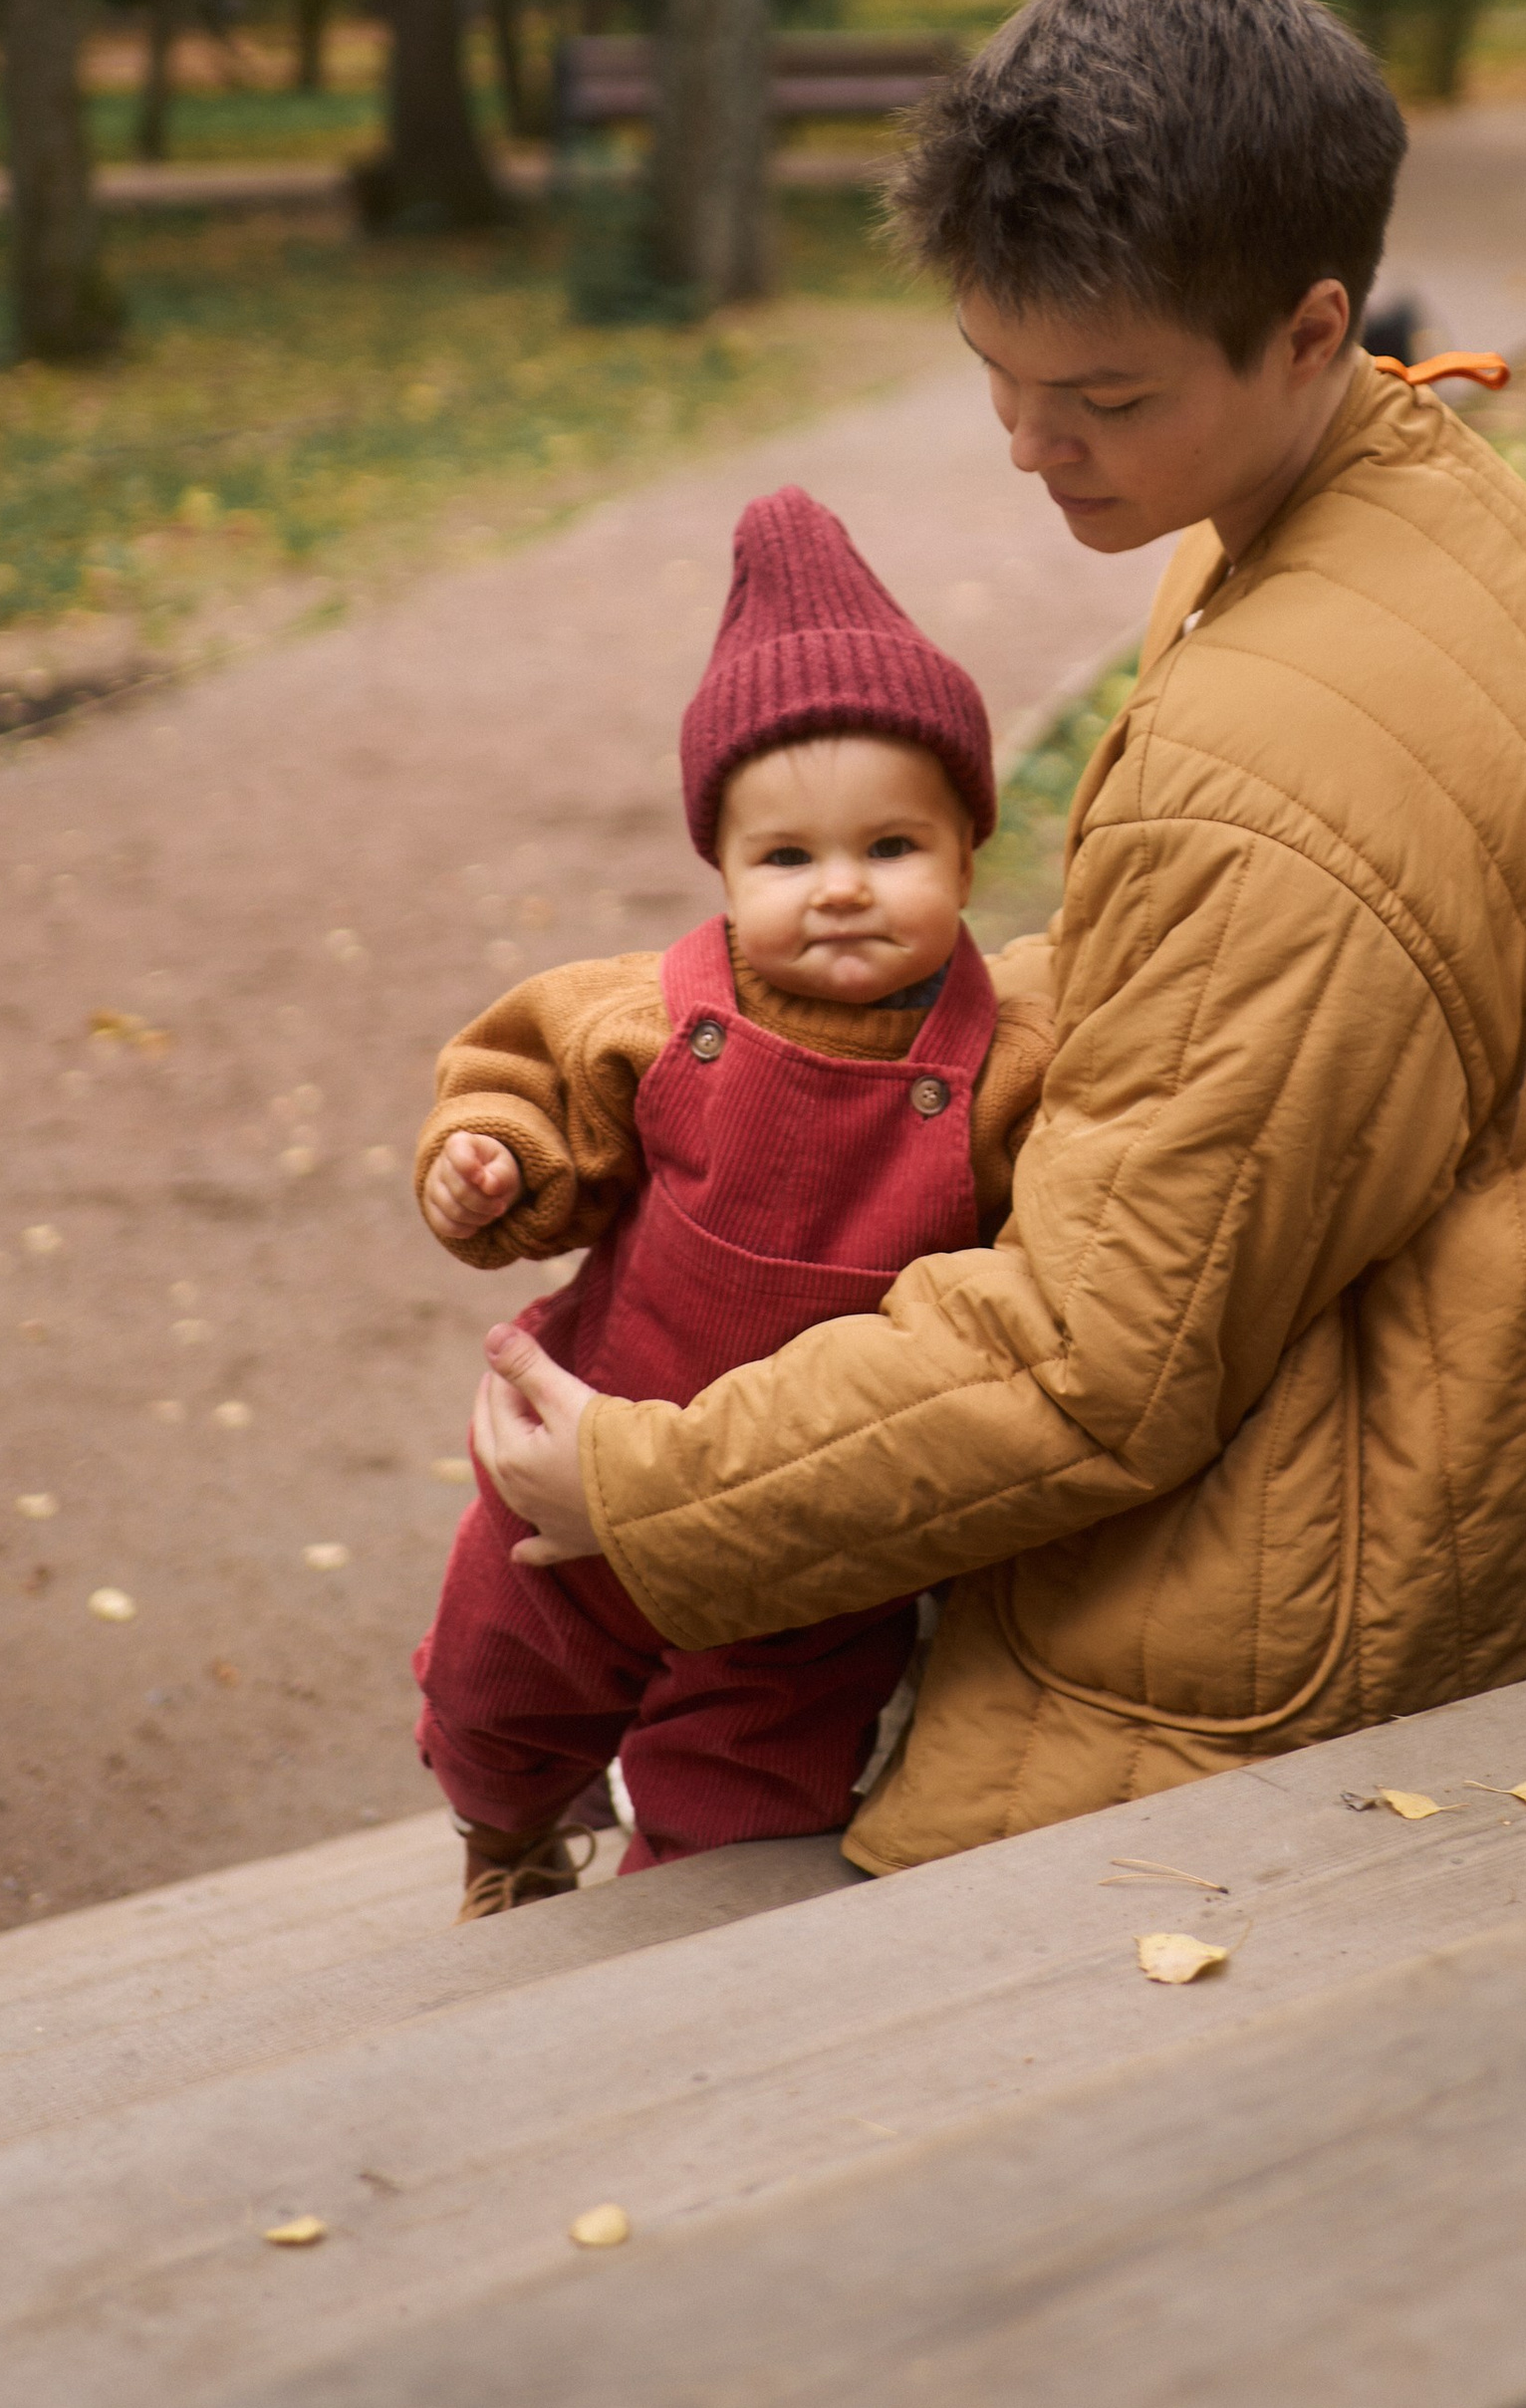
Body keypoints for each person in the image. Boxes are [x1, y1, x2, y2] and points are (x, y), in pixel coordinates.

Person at [475, 0, 1526, 1877]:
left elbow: (1095, 1362)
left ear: (1310, 326)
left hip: (1407, 1646)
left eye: (1102, 394)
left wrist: (654, 1487)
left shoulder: (1288, 758)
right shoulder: (1390, 494)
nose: (1026, 441)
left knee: (732, 1851)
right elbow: (1208, 1004)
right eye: (994, 374)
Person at [411, 486, 1052, 1914]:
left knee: (753, 1795)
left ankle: (692, 1972)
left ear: (966, 851)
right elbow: (524, 1088)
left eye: (891, 848)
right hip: (576, 1481)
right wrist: (491, 1163)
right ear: (720, 861)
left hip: (814, 1535)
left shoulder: (1004, 1069)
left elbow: (1053, 1262)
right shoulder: (650, 1015)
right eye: (786, 857)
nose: (838, 890)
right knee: (493, 1694)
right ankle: (507, 1841)